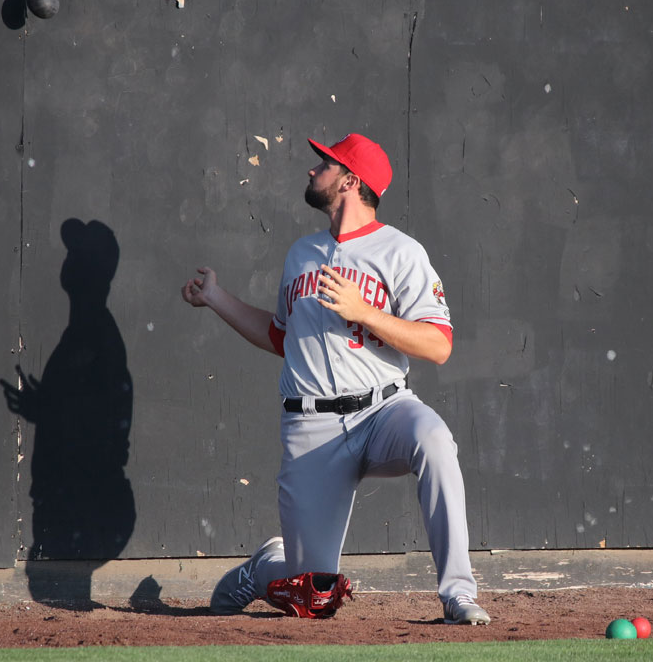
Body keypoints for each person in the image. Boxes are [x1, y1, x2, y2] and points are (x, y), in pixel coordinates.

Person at [181, 133, 489, 624]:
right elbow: (281, 337)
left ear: (350, 179)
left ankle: (458, 593)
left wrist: (364, 312)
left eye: (323, 163)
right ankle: (266, 568)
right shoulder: (301, 254)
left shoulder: (401, 251)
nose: (311, 170)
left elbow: (439, 345)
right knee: (314, 599)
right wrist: (217, 299)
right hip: (312, 429)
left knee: (434, 439)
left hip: (383, 411)